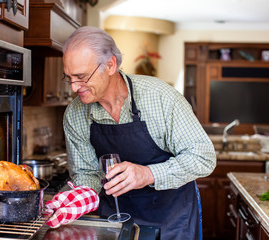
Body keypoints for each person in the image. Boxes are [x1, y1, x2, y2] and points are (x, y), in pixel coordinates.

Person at [45, 26, 216, 240]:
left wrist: (147, 174)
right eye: (68, 77)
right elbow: (86, 174)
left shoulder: (161, 97)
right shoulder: (75, 114)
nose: (73, 87)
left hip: (172, 219)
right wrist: (81, 196)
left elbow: (203, 157)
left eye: (81, 77)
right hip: (115, 222)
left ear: (110, 65)